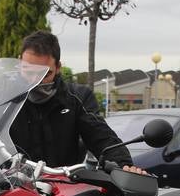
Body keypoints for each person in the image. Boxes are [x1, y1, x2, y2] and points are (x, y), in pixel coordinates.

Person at [7, 31, 133, 169]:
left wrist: (124, 166)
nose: (35, 81)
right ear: (20, 63)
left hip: (63, 184)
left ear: (58, 67)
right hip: (13, 184)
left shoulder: (77, 97)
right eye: (29, 71)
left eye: (45, 74)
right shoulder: (6, 99)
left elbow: (101, 137)